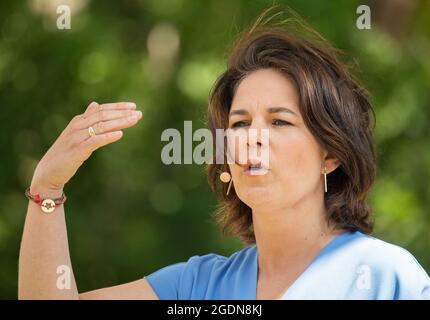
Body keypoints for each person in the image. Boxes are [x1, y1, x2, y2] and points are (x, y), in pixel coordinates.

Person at [19, 12, 430, 300]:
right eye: (239, 124)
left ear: (331, 155)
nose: (252, 139)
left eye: (280, 122)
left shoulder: (386, 278)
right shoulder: (197, 286)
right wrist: (47, 189)